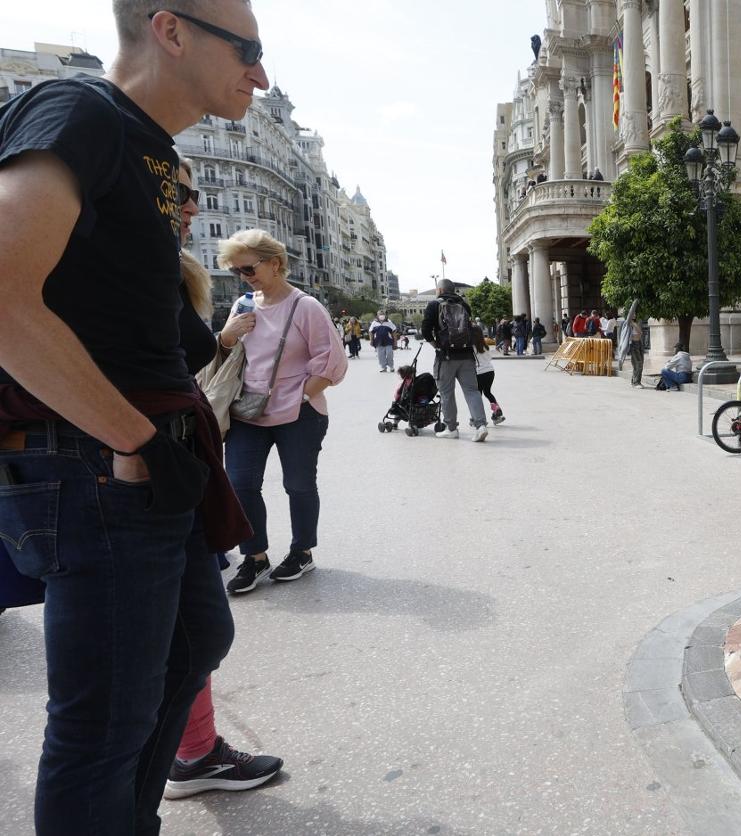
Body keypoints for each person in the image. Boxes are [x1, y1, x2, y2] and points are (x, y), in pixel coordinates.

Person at [0, 3, 268, 832]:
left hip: (140, 458)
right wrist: (136, 439)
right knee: (102, 725)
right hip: (99, 462)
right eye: (248, 49)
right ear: (171, 30)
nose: (260, 75)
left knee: (194, 643)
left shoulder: (145, 146)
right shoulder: (79, 110)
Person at [173, 162, 283, 799]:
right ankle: (179, 758)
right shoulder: (119, 260)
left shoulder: (156, 263)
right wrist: (129, 441)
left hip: (178, 459)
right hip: (147, 469)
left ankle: (191, 752)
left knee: (198, 629)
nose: (193, 205)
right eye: (182, 192)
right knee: (186, 632)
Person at [220, 229, 348, 595]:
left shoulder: (305, 307)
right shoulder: (243, 304)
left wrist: (301, 397)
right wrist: (227, 334)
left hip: (299, 415)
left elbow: (332, 362)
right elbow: (225, 355)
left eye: (248, 268)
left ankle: (302, 551)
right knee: (240, 483)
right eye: (237, 270)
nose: (243, 276)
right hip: (247, 411)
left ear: (275, 263)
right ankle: (255, 557)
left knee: (299, 484)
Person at [421, 278, 489, 442]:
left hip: (446, 357)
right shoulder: (464, 305)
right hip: (467, 356)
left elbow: (425, 330)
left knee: (447, 393)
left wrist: (436, 345)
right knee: (472, 391)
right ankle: (481, 426)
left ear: (440, 290)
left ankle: (451, 428)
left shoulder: (434, 305)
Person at [473, 327, 506, 424]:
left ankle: (478, 418)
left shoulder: (472, 347)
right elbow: (489, 358)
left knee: (477, 395)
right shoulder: (485, 346)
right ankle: (496, 410)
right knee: (488, 392)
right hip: (490, 371)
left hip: (479, 373)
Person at [629, 317, 646, 387]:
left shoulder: (637, 322)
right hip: (633, 344)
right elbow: (640, 332)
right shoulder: (629, 323)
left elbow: (640, 333)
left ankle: (634, 381)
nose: (634, 315)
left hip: (639, 343)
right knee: (638, 363)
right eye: (633, 313)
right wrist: (634, 324)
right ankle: (636, 382)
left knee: (640, 363)